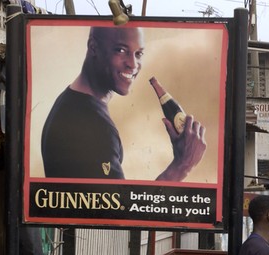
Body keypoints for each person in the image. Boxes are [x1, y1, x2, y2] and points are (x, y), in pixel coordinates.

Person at [41, 26, 206, 180]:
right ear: (93, 47)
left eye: (138, 54)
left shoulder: (70, 99)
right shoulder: (95, 128)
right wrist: (182, 165)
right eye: (121, 50)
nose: (133, 64)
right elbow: (124, 211)